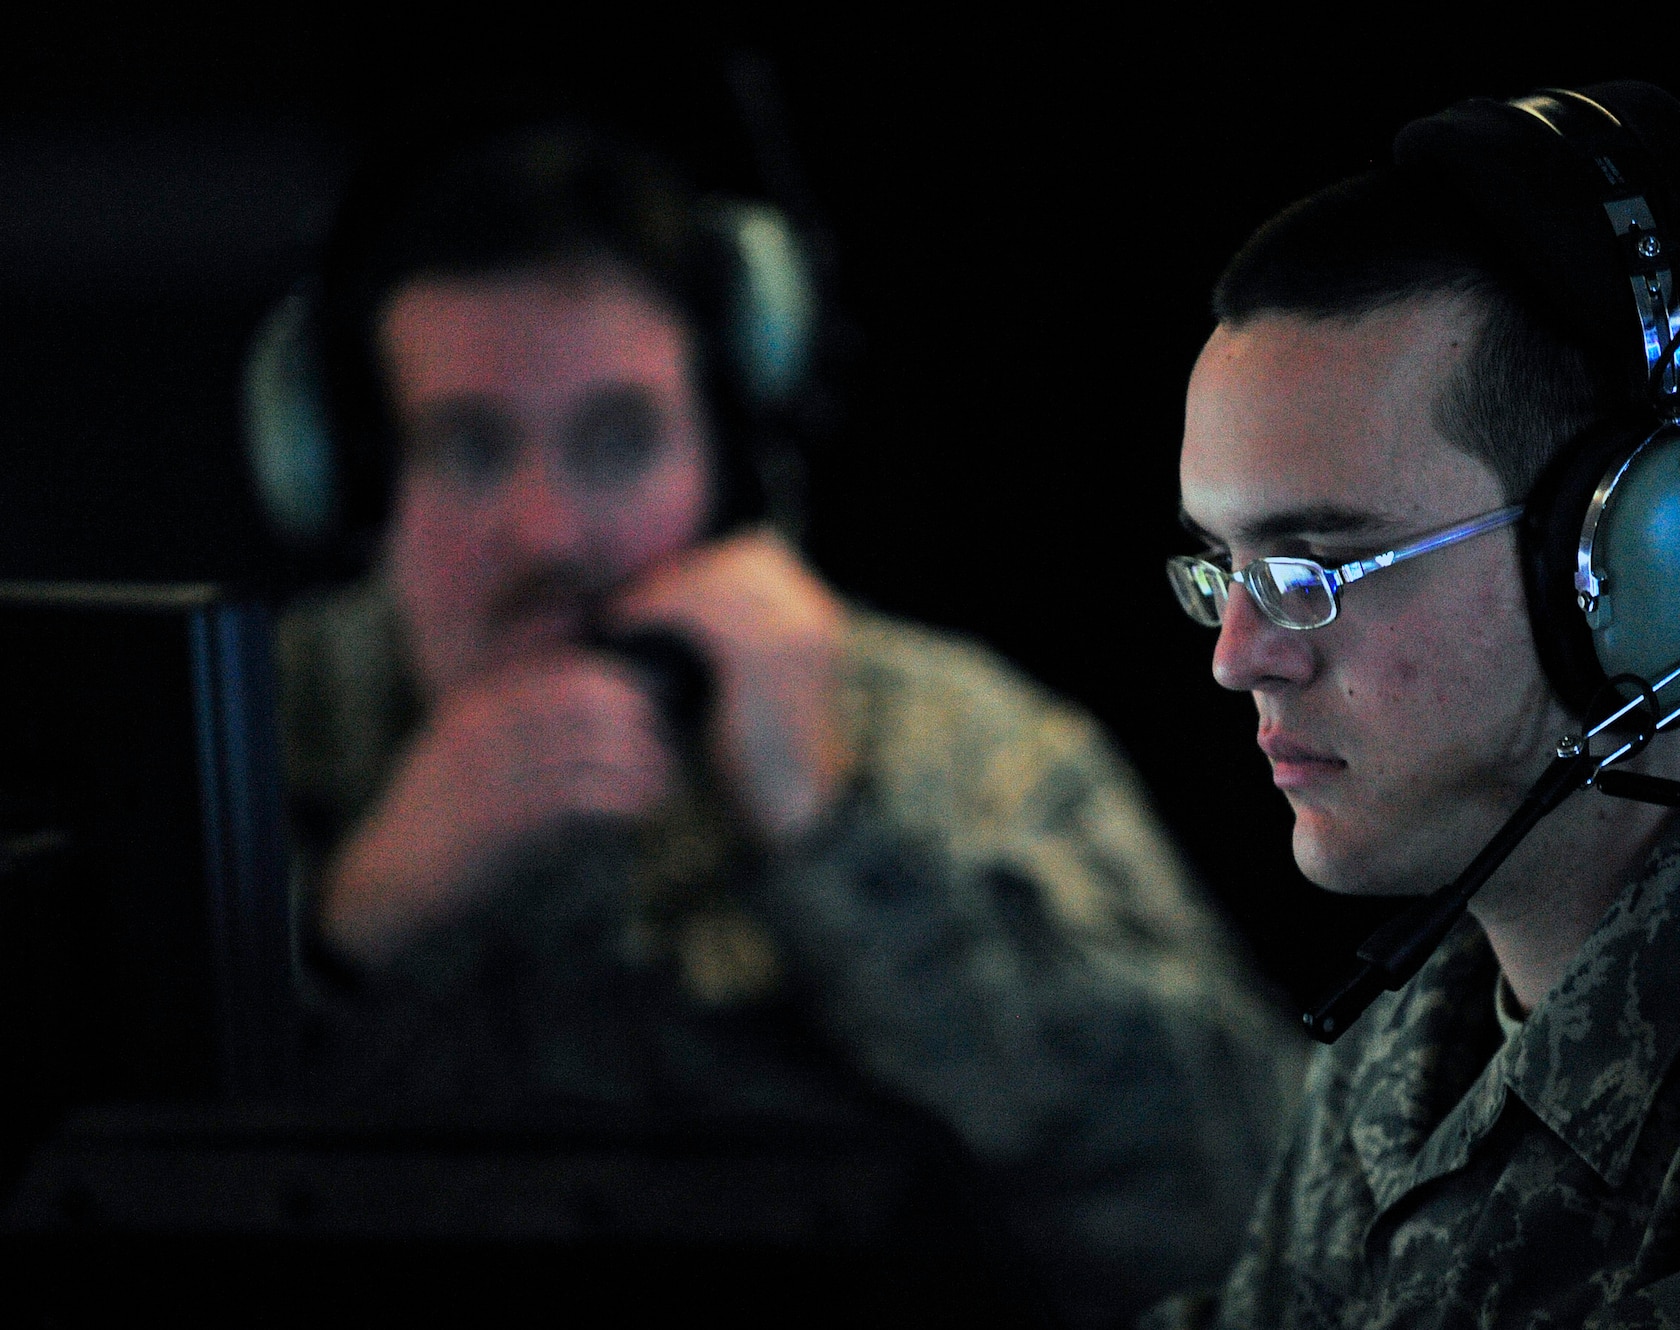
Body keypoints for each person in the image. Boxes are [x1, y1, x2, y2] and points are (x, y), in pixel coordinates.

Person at [271, 125, 1304, 1329]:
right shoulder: (243, 742)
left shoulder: (942, 737)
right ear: (355, 475)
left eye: (618, 440)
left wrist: (838, 839)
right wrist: (335, 941)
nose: (548, 532)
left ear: (725, 452)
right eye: (468, 447)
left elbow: (1243, 1215)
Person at [1148, 82, 1680, 1327]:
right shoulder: (1429, 1006)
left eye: (1313, 571)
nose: (1236, 655)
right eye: (1221, 567)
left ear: (1648, 564)